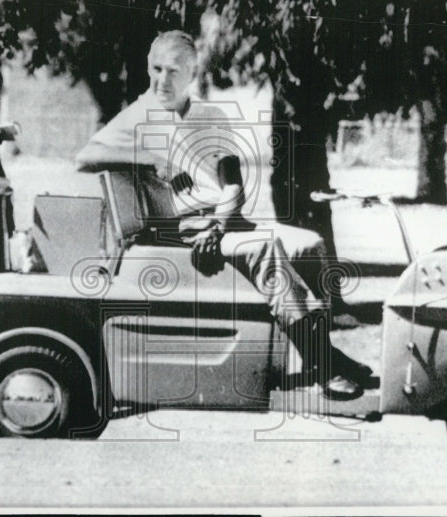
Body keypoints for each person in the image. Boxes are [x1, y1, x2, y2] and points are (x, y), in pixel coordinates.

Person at [76, 30, 371, 400]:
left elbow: (234, 186)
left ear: (191, 73)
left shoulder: (212, 115)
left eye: (173, 70)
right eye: (156, 69)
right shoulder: (137, 117)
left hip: (224, 221)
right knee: (264, 249)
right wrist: (148, 158)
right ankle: (324, 365)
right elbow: (85, 158)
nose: (162, 80)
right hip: (179, 229)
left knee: (310, 244)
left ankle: (321, 352)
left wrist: (220, 223)